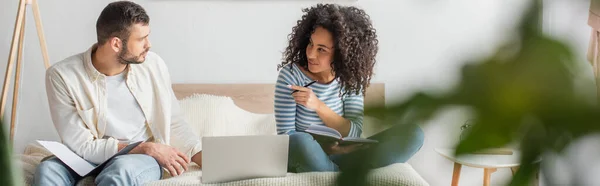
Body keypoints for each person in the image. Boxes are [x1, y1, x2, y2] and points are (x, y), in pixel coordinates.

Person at [34, 1, 202, 185]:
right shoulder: (62, 76)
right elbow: (81, 145)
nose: (149, 44)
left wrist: (202, 156)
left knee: (120, 171)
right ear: (116, 44)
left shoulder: (153, 65)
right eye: (141, 39)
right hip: (88, 156)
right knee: (48, 170)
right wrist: (144, 147)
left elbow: (173, 122)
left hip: (136, 160)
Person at [275, 4, 424, 173]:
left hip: (344, 153)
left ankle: (335, 171)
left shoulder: (349, 80)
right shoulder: (291, 75)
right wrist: (325, 149)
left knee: (413, 133)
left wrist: (318, 106)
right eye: (310, 43)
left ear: (341, 53)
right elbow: (286, 137)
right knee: (299, 141)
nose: (311, 54)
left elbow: (354, 133)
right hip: (308, 154)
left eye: (321, 49)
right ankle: (342, 175)